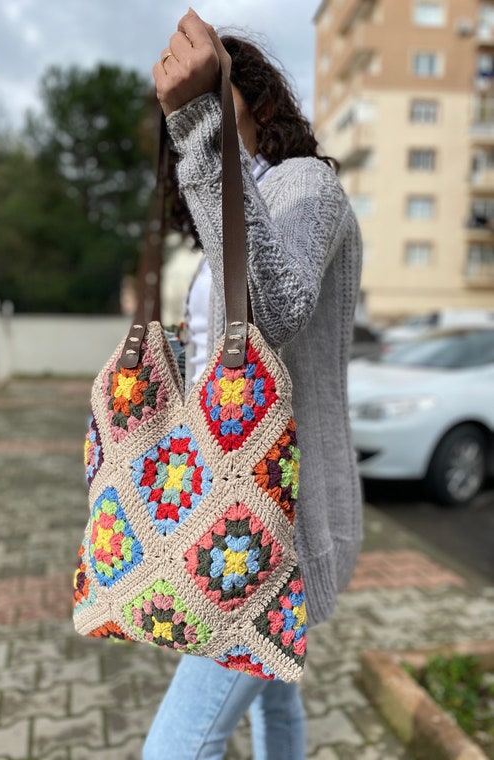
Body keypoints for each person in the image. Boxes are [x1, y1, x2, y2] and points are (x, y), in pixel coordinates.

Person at [144, 9, 363, 759]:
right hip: (227, 510)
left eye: (216, 90)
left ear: (254, 96)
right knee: (273, 703)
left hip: (271, 531)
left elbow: (274, 310)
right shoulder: (240, 211)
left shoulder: (303, 184)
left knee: (174, 748)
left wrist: (200, 123)